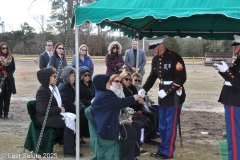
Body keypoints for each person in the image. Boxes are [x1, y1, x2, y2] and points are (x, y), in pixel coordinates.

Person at [138, 37, 186, 159]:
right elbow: (152, 77)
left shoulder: (175, 58)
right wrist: (144, 89)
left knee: (170, 125)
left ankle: (168, 152)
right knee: (162, 125)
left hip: (174, 95)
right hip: (162, 96)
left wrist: (166, 91)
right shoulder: (155, 59)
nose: (152, 51)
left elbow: (181, 78)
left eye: (154, 48)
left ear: (161, 45)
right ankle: (162, 149)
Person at [91, 74, 141, 160]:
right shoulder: (103, 95)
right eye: (108, 82)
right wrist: (133, 98)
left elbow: (117, 104)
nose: (109, 84)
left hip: (112, 120)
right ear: (102, 83)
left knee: (136, 125)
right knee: (130, 132)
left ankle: (133, 155)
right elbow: (118, 103)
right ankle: (126, 158)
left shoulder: (105, 93)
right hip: (106, 125)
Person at [35, 67, 81, 157]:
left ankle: (70, 145)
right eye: (54, 76)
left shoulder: (53, 87)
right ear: (47, 77)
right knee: (68, 121)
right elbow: (43, 110)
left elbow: (58, 103)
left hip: (53, 114)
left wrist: (62, 107)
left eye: (56, 76)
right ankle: (68, 151)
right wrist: (59, 109)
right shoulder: (42, 91)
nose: (56, 78)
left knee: (74, 118)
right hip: (44, 118)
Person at [213, 34, 240, 160]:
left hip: (235, 102)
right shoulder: (238, 61)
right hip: (232, 101)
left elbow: (238, 84)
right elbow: (232, 78)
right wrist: (224, 70)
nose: (233, 48)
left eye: (236, 46)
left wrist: (227, 71)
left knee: (234, 136)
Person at [120, 72, 158, 148]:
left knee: (152, 115)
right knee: (143, 118)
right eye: (126, 79)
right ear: (122, 80)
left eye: (130, 79)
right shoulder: (122, 89)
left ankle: (150, 137)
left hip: (138, 107)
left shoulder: (132, 88)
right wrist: (137, 101)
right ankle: (142, 139)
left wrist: (141, 100)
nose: (128, 81)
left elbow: (140, 96)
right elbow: (126, 102)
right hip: (130, 109)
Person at [58, 66, 87, 145]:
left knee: (85, 115)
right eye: (71, 76)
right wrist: (78, 109)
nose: (73, 78)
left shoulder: (71, 86)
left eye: (74, 76)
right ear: (66, 76)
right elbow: (67, 103)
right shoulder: (63, 87)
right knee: (82, 117)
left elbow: (77, 99)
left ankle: (78, 137)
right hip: (66, 111)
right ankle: (75, 138)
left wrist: (82, 108)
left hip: (72, 109)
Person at [131, 72, 159, 139]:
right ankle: (153, 131)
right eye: (135, 80)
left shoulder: (140, 88)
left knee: (158, 108)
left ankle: (157, 129)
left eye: (139, 80)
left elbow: (146, 96)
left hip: (145, 104)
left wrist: (150, 101)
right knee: (153, 112)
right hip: (139, 106)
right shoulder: (132, 88)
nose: (137, 82)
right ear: (132, 80)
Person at [0, 42, 16, 119]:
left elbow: (13, 68)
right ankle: (0, 114)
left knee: (7, 98)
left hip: (9, 80)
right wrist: (2, 75)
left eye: (6, 48)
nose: (5, 49)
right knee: (0, 97)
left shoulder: (11, 58)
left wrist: (9, 74)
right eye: (3, 48)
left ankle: (6, 113)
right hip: (1, 81)